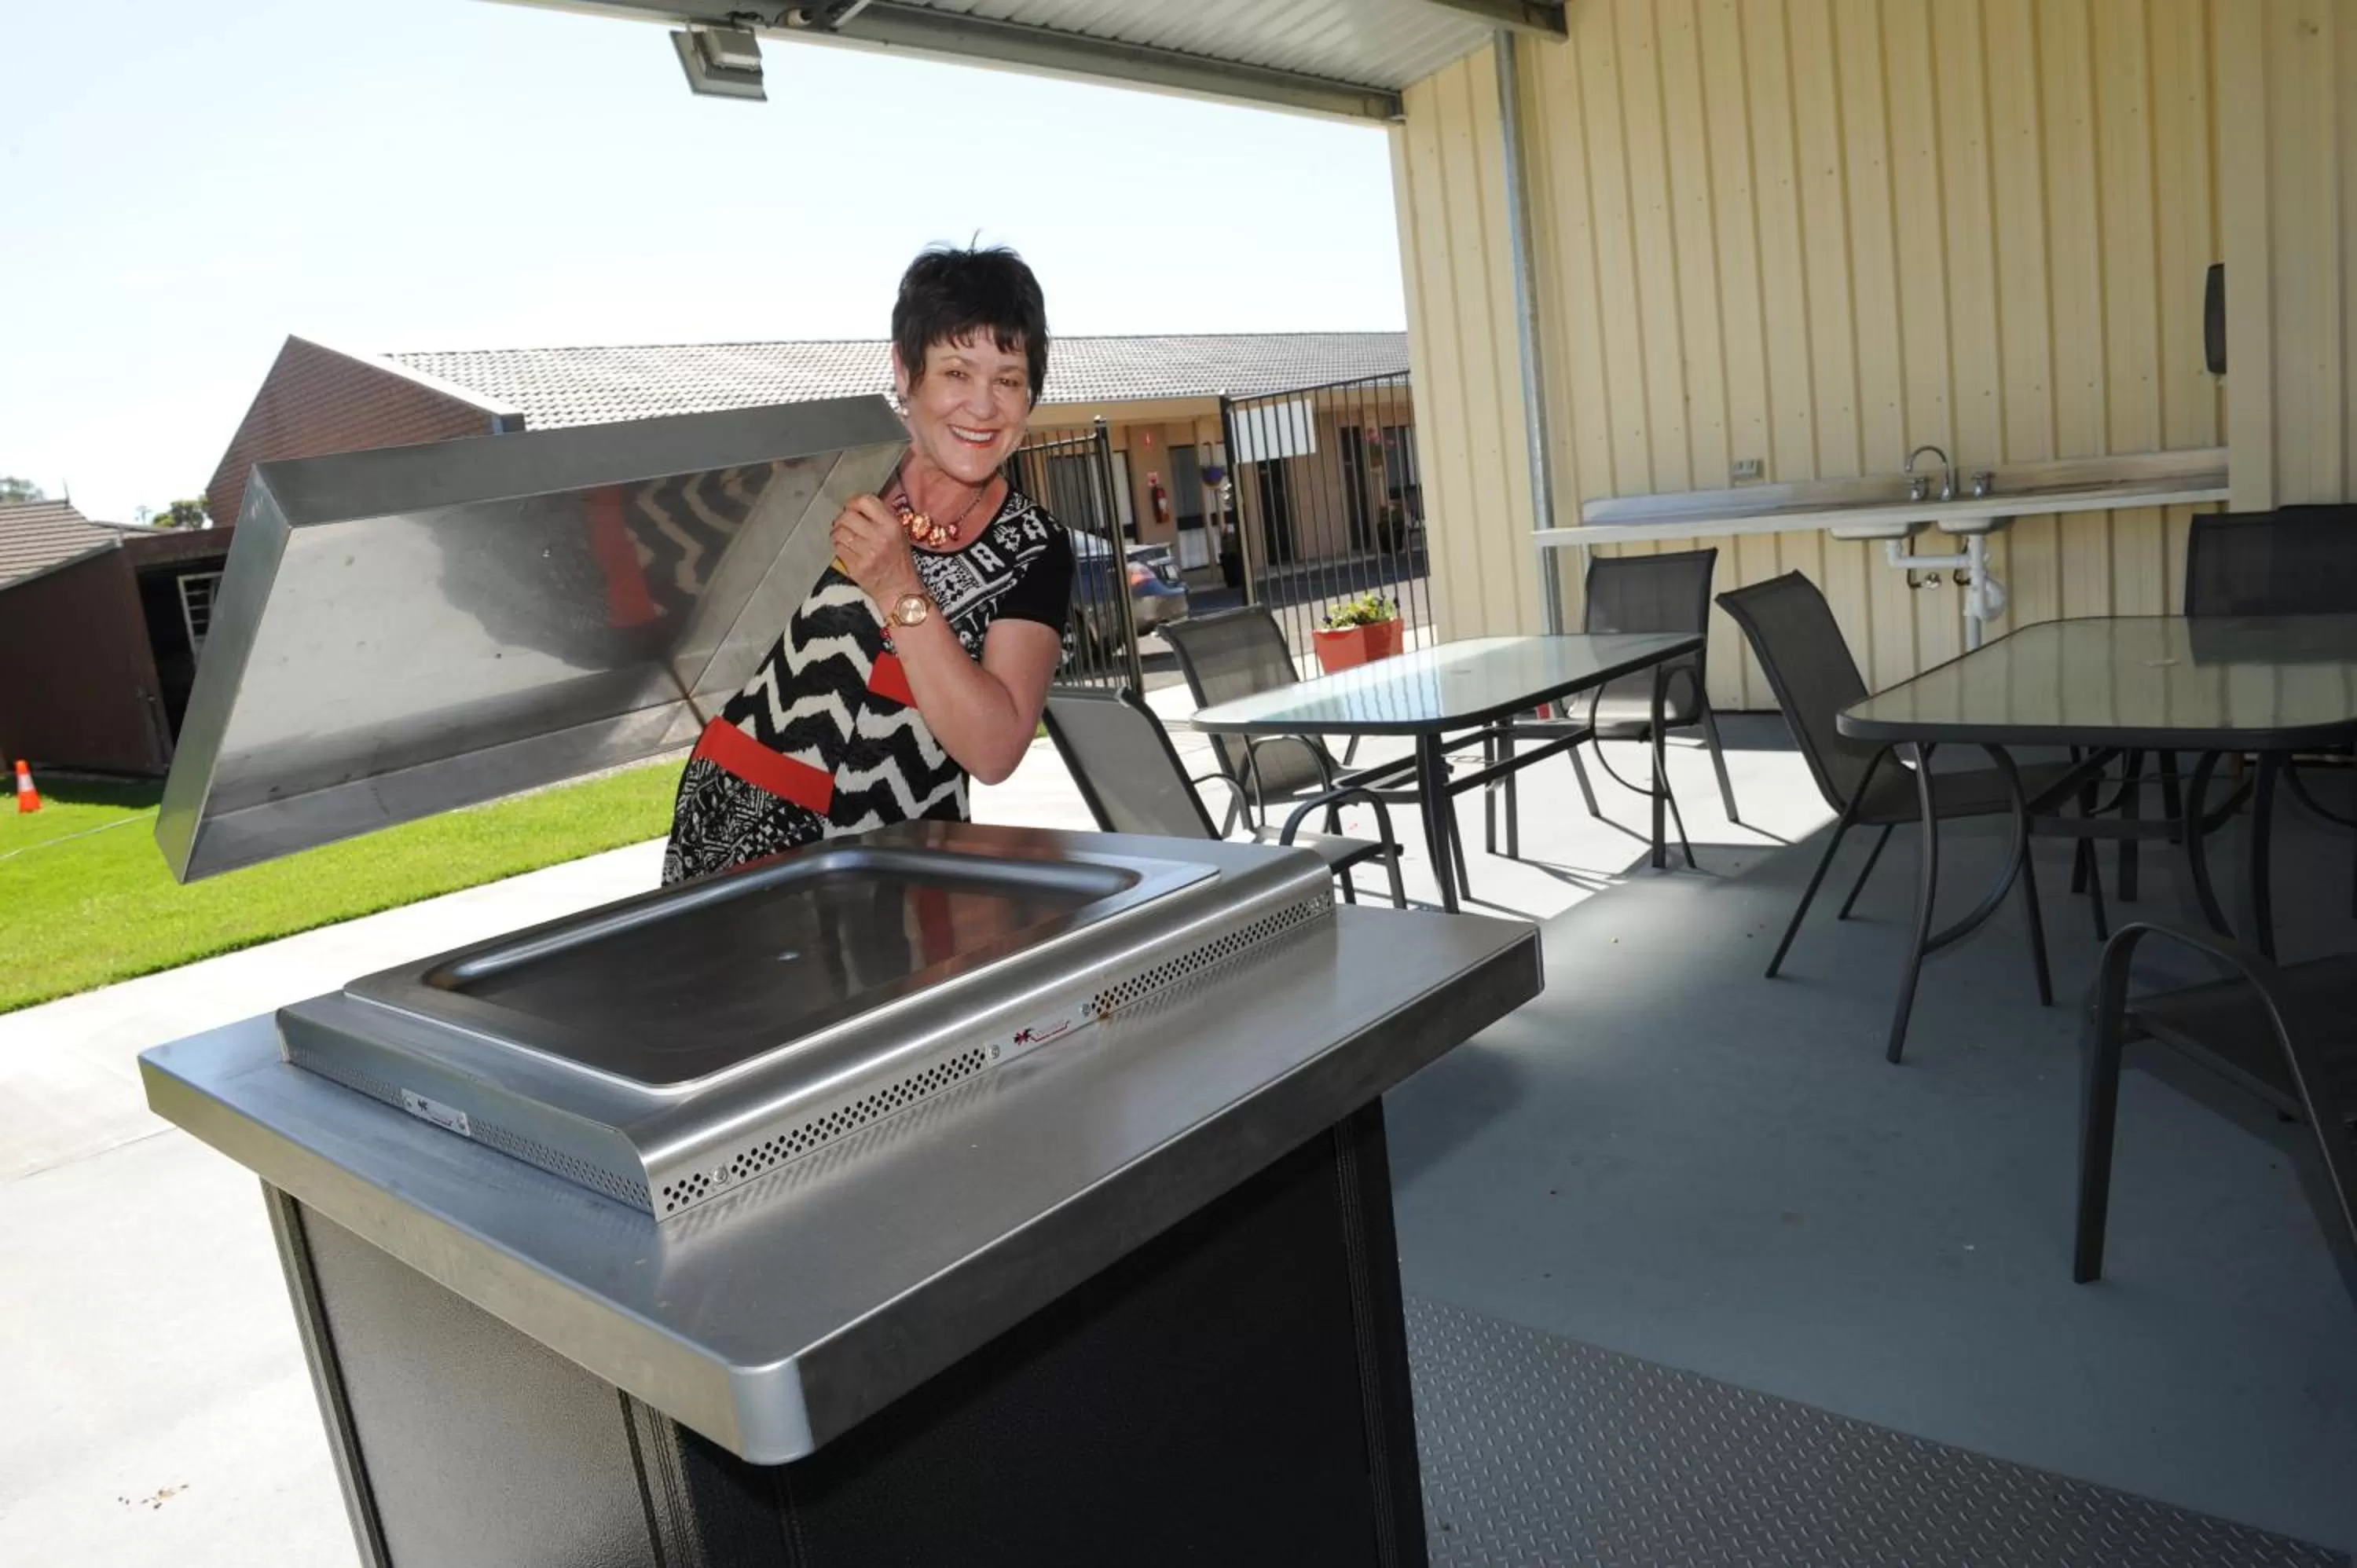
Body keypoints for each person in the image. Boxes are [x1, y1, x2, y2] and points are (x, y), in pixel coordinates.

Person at [662, 244, 1072, 885]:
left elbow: (994, 751)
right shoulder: (818, 479)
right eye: (956, 372)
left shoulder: (1034, 547)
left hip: (903, 870)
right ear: (905, 372)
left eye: (1009, 380)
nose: (983, 406)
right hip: (737, 847)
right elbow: (704, 643)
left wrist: (898, 586)